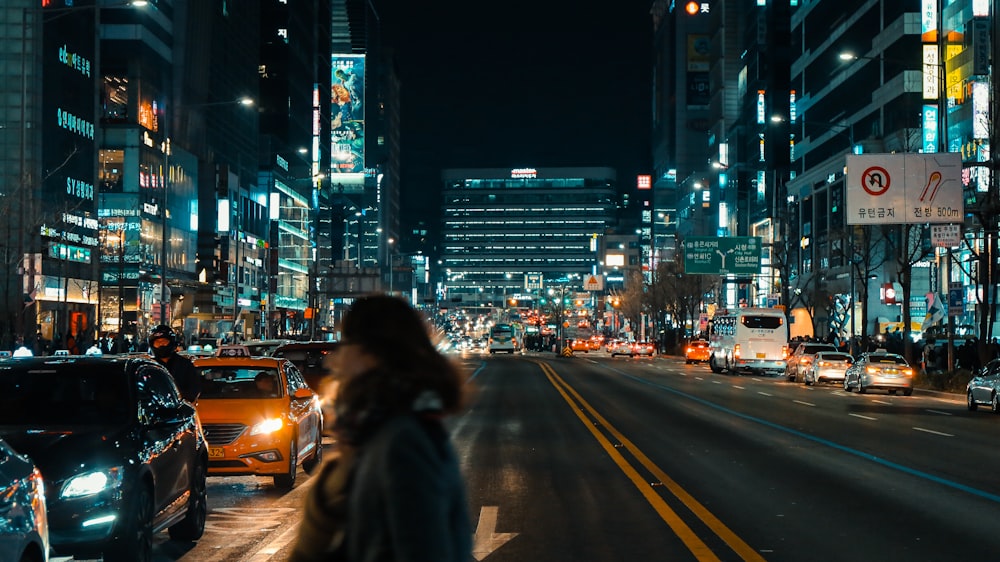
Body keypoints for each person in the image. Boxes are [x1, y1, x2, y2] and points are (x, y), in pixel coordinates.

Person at [290, 295, 472, 562]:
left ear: (373, 354)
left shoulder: (402, 441)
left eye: (346, 345)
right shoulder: (377, 428)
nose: (333, 361)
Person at [147, 324, 201, 403]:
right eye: (158, 342)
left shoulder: (184, 364)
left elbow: (193, 389)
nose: (161, 344)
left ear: (171, 342)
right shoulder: (148, 366)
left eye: (164, 341)